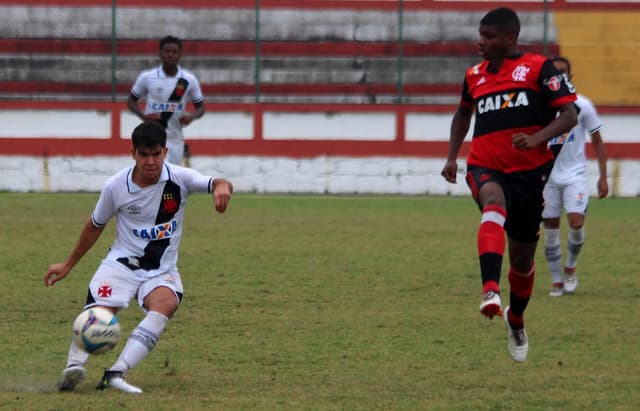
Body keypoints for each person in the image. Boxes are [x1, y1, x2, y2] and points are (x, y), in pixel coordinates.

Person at [44, 121, 232, 393]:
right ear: (133, 153)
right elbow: (95, 225)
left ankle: (116, 373)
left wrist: (222, 188)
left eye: (156, 154)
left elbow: (218, 182)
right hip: (122, 263)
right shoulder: (115, 187)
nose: (151, 161)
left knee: (165, 304)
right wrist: (68, 264)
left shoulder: (180, 178)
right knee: (100, 311)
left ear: (165, 152)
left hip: (160, 269)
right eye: (144, 155)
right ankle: (73, 367)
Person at [440, 8, 577, 362]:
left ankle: (515, 319)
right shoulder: (474, 75)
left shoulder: (538, 68)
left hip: (530, 176)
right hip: (485, 165)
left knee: (521, 259)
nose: (480, 42)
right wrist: (452, 156)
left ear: (509, 38)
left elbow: (569, 115)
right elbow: (462, 112)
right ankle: (489, 291)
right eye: (480, 35)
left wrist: (537, 139)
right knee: (492, 201)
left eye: (488, 36)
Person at [543, 56, 608, 297]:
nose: (560, 77)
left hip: (574, 176)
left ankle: (570, 267)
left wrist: (603, 177)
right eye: (555, 73)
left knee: (576, 223)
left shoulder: (582, 105)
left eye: (563, 73)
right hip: (546, 178)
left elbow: (598, 141)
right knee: (549, 228)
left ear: (570, 76)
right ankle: (557, 281)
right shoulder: (539, 106)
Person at [127, 35, 205, 166]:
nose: (170, 55)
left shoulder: (188, 79)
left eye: (174, 52)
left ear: (180, 54)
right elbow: (131, 101)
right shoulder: (148, 77)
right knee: (154, 173)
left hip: (175, 138)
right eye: (167, 51)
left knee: (171, 176)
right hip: (151, 136)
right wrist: (143, 116)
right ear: (160, 53)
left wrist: (191, 116)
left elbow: (201, 107)